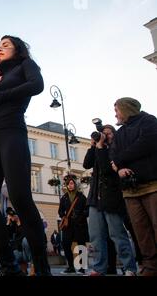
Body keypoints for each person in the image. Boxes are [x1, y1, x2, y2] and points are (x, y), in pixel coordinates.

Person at [0, 35, 49, 276]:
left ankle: (43, 268)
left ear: (17, 49)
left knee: (21, 198)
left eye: (5, 45)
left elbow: (38, 86)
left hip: (12, 133)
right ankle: (8, 265)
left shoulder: (26, 66)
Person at [110, 97, 157, 276]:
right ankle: (150, 267)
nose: (115, 114)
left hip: (152, 185)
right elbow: (113, 153)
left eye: (117, 110)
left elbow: (146, 144)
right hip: (130, 190)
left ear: (126, 109)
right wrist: (120, 168)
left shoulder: (149, 121)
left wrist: (120, 160)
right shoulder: (120, 133)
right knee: (141, 232)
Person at [83, 124, 137, 276]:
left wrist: (100, 147)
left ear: (114, 135)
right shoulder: (98, 148)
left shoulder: (116, 150)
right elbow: (86, 164)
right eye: (103, 134)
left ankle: (129, 268)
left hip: (111, 197)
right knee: (96, 236)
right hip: (95, 197)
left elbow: (106, 170)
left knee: (117, 234)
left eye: (108, 134)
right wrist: (93, 146)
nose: (105, 136)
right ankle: (99, 268)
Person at [58, 175, 89, 274]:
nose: (70, 185)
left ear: (75, 185)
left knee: (81, 245)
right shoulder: (64, 197)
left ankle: (82, 268)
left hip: (80, 224)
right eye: (68, 184)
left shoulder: (81, 196)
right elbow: (60, 210)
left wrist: (82, 216)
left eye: (72, 183)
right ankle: (71, 267)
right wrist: (63, 216)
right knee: (66, 244)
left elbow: (87, 209)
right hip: (68, 225)